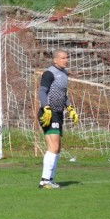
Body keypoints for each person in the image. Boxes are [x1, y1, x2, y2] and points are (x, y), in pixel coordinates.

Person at [37, 49, 79, 189]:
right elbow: (42, 91)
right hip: (49, 112)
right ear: (55, 60)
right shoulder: (49, 73)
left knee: (57, 148)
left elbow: (62, 95)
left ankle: (50, 180)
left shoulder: (64, 74)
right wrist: (46, 107)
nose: (66, 60)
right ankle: (45, 180)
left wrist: (70, 108)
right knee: (53, 147)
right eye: (62, 58)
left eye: (67, 57)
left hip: (59, 113)